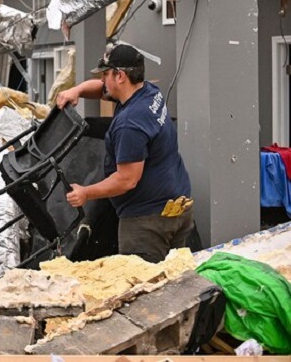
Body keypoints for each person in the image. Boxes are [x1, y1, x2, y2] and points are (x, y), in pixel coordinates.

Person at [57, 43, 194, 263]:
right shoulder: (149, 93)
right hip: (176, 208)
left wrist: (85, 193)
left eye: (106, 74)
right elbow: (102, 90)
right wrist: (78, 90)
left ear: (120, 76)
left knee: (145, 289)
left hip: (148, 222)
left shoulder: (130, 124)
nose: (102, 80)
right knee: (175, 279)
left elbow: (127, 180)